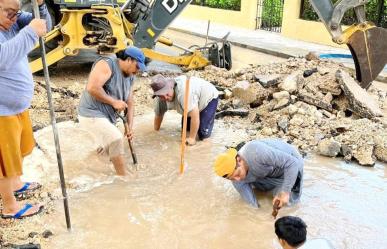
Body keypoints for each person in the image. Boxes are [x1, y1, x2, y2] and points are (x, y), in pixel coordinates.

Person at [0, 0, 51, 218]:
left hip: (18, 108)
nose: (13, 19)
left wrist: (42, 6)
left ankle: (16, 184)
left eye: (16, 14)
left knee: (18, 151)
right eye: (8, 13)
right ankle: (10, 207)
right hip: (2, 112)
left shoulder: (11, 24)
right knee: (4, 163)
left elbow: (43, 25)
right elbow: (2, 58)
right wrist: (30, 32)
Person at [78, 46, 146, 176]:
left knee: (105, 151)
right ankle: (124, 179)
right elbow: (92, 88)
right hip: (91, 112)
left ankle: (93, 171)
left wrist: (130, 126)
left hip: (107, 118)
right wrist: (114, 102)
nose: (138, 71)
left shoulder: (130, 75)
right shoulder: (107, 64)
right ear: (129, 60)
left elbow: (130, 102)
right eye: (137, 67)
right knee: (116, 138)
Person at [213, 138, 303, 208]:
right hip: (266, 172)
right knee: (260, 192)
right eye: (232, 178)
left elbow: (292, 163)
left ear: (239, 160)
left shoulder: (257, 153)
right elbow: (252, 205)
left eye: (237, 174)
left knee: (287, 204)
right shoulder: (235, 177)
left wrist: (285, 191)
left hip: (290, 164)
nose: (237, 179)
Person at [151, 74, 219, 145]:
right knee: (185, 134)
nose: (165, 97)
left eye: (167, 94)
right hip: (190, 103)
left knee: (202, 134)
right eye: (161, 96)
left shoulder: (183, 92)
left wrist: (192, 139)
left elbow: (194, 115)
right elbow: (158, 115)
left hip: (208, 97)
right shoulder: (160, 100)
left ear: (171, 87)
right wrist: (156, 132)